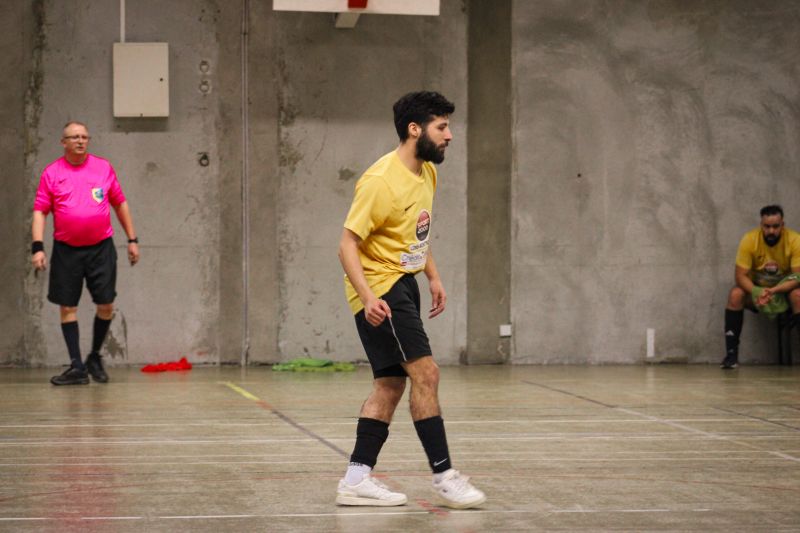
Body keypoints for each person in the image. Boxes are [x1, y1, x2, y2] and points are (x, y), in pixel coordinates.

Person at [335, 91, 486, 509]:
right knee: (427, 373)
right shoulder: (380, 181)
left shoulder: (427, 172)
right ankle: (445, 476)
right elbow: (347, 244)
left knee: (389, 384)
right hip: (380, 287)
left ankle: (356, 479)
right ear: (415, 129)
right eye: (442, 127)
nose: (449, 135)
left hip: (403, 282)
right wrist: (368, 297)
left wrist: (432, 276)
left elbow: (416, 233)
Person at [31, 121, 139, 385]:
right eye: (74, 137)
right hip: (66, 250)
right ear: (63, 142)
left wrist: (132, 239)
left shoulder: (103, 168)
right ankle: (77, 367)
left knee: (106, 304)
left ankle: (93, 357)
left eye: (84, 137)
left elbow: (120, 203)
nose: (80, 141)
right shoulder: (52, 173)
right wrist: (38, 247)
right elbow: (40, 211)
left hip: (101, 248)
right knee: (68, 306)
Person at [723, 205, 800, 369]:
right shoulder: (749, 239)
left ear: (783, 225)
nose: (771, 231)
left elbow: (797, 277)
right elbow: (740, 276)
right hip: (757, 292)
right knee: (735, 294)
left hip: (784, 292)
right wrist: (757, 291)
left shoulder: (795, 240)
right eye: (767, 226)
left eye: (776, 226)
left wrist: (774, 290)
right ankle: (731, 356)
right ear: (761, 225)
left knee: (798, 295)